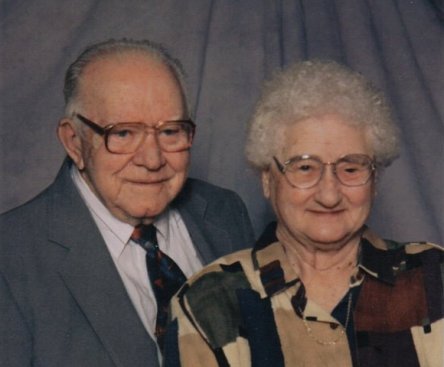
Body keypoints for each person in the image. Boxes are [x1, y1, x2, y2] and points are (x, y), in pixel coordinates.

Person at [165, 60, 444, 367]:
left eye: (351, 168)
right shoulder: (208, 305)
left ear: (375, 180)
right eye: (305, 168)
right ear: (268, 180)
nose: (329, 194)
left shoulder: (435, 277)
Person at [0, 39, 255, 367]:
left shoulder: (225, 213)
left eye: (170, 132)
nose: (152, 160)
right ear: (74, 142)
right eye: (122, 134)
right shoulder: (11, 257)